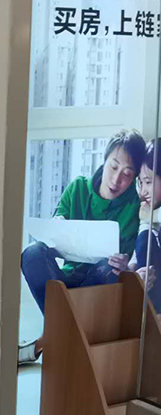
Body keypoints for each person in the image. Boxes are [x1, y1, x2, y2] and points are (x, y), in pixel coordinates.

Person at [21, 130, 145, 314]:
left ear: (135, 177)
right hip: (65, 278)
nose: (116, 179)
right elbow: (52, 236)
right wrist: (56, 226)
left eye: (126, 174)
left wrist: (125, 265)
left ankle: (62, 321)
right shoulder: (78, 188)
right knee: (32, 253)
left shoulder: (136, 207)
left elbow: (130, 265)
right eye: (113, 167)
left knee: (109, 268)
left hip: (100, 281)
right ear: (105, 160)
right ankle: (65, 320)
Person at [128, 141, 161, 310]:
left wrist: (152, 216)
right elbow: (139, 251)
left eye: (148, 182)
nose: (143, 192)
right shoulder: (148, 210)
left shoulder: (151, 213)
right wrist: (134, 274)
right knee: (144, 238)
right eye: (140, 183)